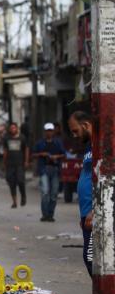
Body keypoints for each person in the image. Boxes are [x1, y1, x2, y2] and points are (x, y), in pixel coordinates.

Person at [68, 111, 94, 275]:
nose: (74, 135)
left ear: (85, 125)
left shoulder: (103, 145)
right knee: (91, 258)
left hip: (96, 213)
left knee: (91, 258)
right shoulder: (90, 146)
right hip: (88, 213)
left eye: (75, 131)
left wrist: (95, 211)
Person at [32, 122, 65, 222]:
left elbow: (64, 154)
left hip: (55, 169)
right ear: (45, 132)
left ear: (53, 131)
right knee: (45, 192)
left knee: (54, 194)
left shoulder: (58, 142)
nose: (49, 133)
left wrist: (56, 157)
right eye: (47, 131)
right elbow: (33, 154)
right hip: (44, 169)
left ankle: (50, 215)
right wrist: (42, 154)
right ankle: (45, 214)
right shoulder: (40, 143)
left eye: (51, 130)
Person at [1, 122, 29, 208]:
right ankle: (14, 202)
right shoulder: (6, 138)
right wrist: (4, 162)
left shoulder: (22, 138)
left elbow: (26, 149)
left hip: (20, 163)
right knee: (11, 182)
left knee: (20, 181)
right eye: (11, 128)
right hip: (10, 164)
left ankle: (23, 196)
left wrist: (26, 161)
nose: (13, 129)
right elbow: (5, 151)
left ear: (17, 129)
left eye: (14, 128)